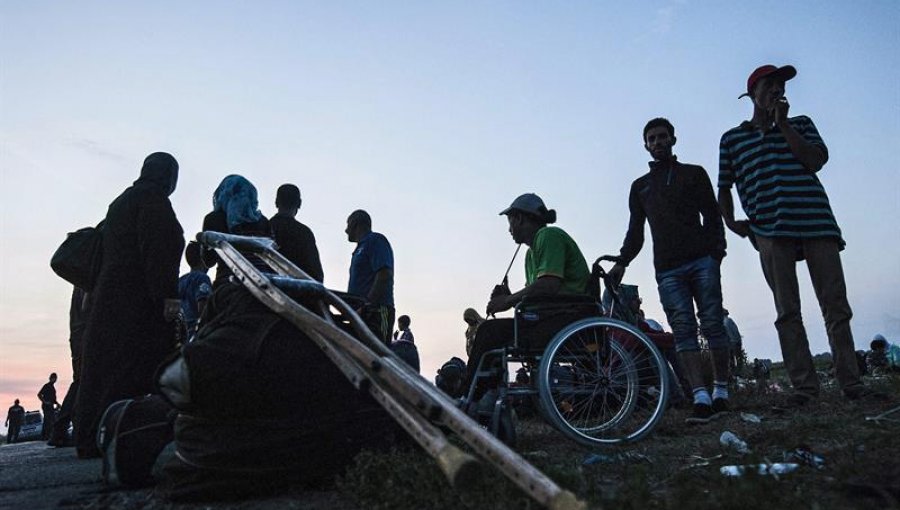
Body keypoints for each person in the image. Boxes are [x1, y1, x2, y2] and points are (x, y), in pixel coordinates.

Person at [718, 64, 879, 408]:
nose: (777, 90)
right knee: (787, 311)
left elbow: (815, 161)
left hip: (817, 223)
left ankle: (852, 382)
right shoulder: (732, 139)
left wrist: (785, 125)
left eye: (781, 85)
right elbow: (724, 186)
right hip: (770, 230)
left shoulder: (802, 124)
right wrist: (732, 221)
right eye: (769, 85)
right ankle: (804, 389)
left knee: (835, 306)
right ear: (752, 93)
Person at [607, 117, 730, 424]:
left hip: (702, 260)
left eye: (663, 136)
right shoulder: (641, 187)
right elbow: (636, 231)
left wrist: (717, 252)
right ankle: (699, 395)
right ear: (646, 145)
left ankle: (722, 389)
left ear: (673, 139)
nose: (658, 142)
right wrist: (622, 261)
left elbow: (713, 215)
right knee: (683, 329)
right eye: (652, 138)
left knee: (713, 322)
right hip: (667, 269)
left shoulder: (693, 174)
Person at [75, 152, 184, 458]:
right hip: (138, 306)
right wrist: (167, 297)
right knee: (136, 371)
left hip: (108, 301)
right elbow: (157, 252)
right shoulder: (154, 201)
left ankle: (91, 436)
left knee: (102, 373)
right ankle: (125, 435)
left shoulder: (121, 202)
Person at [463, 193, 590, 399]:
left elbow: (549, 285)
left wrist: (507, 300)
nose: (509, 229)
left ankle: (469, 397)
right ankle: (480, 398)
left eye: (510, 222)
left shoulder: (548, 236)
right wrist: (510, 299)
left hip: (566, 319)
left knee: (488, 332)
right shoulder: (530, 254)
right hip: (552, 317)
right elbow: (537, 296)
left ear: (520, 218)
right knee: (492, 332)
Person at [202, 175, 272, 287]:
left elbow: (209, 261)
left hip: (227, 283)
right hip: (263, 284)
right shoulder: (263, 221)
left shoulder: (214, 218)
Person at [49, 287, 91, 447]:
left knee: (81, 382)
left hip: (79, 336)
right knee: (82, 382)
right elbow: (88, 305)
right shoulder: (86, 278)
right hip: (85, 336)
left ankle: (66, 430)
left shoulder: (80, 278)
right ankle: (62, 430)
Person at [345, 210, 395, 344]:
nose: (346, 230)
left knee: (380, 355)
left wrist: (368, 304)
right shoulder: (360, 249)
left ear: (356, 224)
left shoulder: (375, 241)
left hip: (377, 312)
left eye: (348, 225)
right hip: (360, 313)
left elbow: (384, 274)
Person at [269, 184, 324, 282]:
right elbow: (316, 275)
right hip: (297, 292)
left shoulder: (264, 228)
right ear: (299, 204)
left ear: (276, 202)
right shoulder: (305, 233)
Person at [178, 242, 213, 339]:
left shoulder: (181, 280)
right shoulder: (202, 278)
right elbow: (203, 309)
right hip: (197, 335)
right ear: (203, 257)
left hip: (183, 337)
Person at [723, 308, 745, 375]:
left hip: (731, 343)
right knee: (738, 360)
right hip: (736, 342)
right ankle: (738, 374)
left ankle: (734, 374)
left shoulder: (724, 322)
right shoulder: (730, 321)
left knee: (732, 360)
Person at [38, 373, 59, 440]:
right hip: (46, 406)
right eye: (54, 378)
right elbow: (39, 394)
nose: (55, 380)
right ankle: (45, 436)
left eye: (56, 378)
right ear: (51, 378)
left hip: (51, 406)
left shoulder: (52, 387)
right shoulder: (46, 386)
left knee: (52, 420)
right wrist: (45, 402)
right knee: (47, 420)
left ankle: (48, 435)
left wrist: (58, 404)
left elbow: (53, 399)